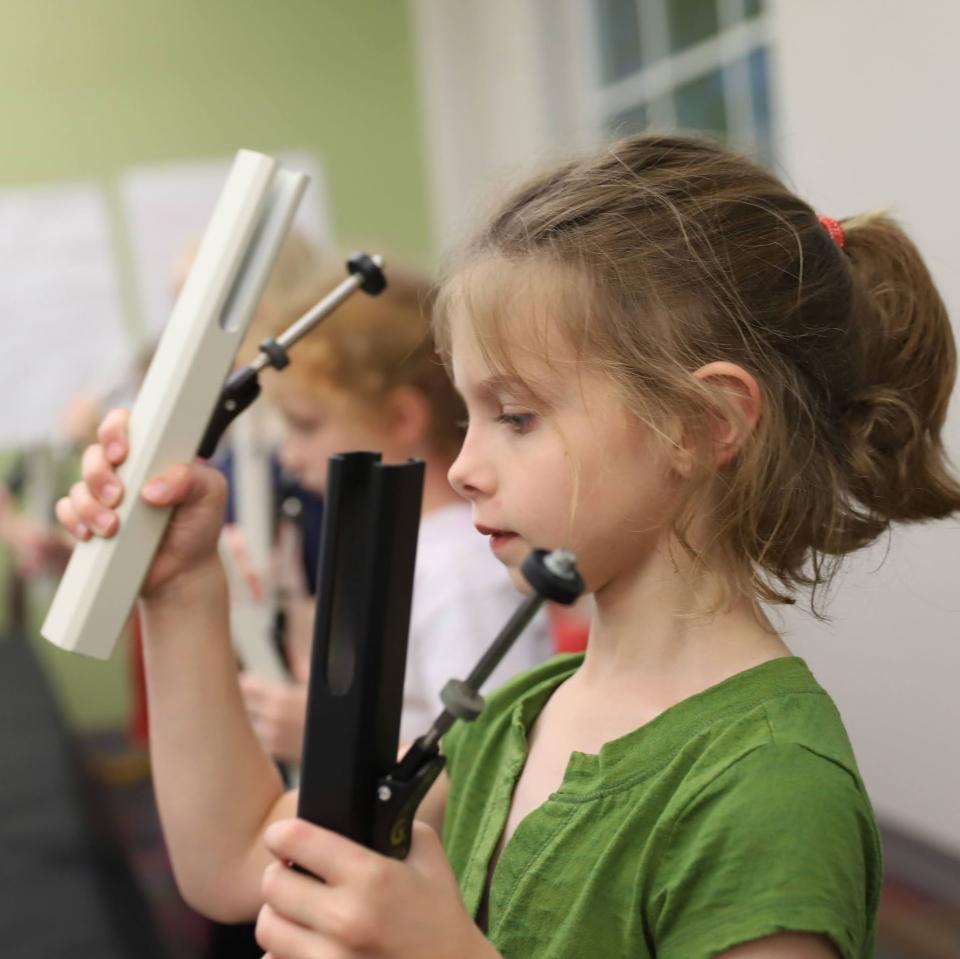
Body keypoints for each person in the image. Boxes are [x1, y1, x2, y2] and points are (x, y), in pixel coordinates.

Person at [56, 133, 960, 958]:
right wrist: (180, 588)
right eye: (468, 414)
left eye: (516, 416)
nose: (465, 466)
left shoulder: (771, 785)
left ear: (703, 421)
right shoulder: (519, 711)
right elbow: (245, 858)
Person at [231, 261, 553, 758]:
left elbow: (484, 764)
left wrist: (325, 739)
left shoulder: (457, 573)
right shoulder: (399, 549)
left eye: (307, 424)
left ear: (402, 418)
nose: (288, 455)